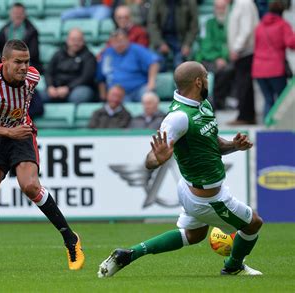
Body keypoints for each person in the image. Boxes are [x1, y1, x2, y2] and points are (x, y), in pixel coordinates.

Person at [98, 61, 264, 278]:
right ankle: (233, 266)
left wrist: (234, 145)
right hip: (207, 198)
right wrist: (156, 159)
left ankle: (128, 254)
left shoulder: (202, 105)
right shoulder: (178, 117)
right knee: (253, 224)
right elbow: (149, 160)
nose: (208, 80)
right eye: (206, 76)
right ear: (198, 81)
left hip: (189, 188)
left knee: (194, 235)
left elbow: (212, 143)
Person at [0, 39, 85, 272]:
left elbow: (22, 107)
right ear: (4, 61)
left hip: (20, 135)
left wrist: (13, 129)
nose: (23, 67)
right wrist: (7, 130)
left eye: (26, 62)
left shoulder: (33, 78)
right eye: (18, 62)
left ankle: (70, 238)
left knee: (29, 186)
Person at [252, 0, 295, 118]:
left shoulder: (259, 26)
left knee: (268, 99)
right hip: (275, 68)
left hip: (258, 69)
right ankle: (281, 128)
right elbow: (291, 44)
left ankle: (267, 128)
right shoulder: (283, 25)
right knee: (282, 101)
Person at [97, 29, 160, 102]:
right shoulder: (107, 54)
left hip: (139, 88)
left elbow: (154, 62)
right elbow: (100, 77)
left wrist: (151, 83)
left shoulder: (136, 49)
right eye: (115, 42)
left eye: (121, 41)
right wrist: (103, 97)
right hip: (118, 91)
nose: (118, 44)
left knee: (148, 97)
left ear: (127, 39)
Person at [195, 0, 235, 110]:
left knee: (232, 69)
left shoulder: (230, 23)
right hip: (208, 58)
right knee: (222, 70)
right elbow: (206, 46)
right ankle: (216, 101)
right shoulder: (209, 23)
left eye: (222, 7)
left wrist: (223, 57)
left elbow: (227, 45)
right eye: (218, 7)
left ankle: (220, 100)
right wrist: (217, 57)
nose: (220, 10)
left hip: (224, 59)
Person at [0, 3, 42, 73]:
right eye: (15, 13)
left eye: (20, 13)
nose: (17, 15)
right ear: (11, 14)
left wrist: (18, 59)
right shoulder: (5, 29)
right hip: (6, 62)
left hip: (24, 62)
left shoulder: (31, 30)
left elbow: (34, 53)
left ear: (25, 14)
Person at [227, 0, 259, 125]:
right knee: (244, 85)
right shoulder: (239, 4)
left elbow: (246, 29)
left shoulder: (244, 3)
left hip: (245, 52)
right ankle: (246, 115)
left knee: (244, 86)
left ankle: (246, 116)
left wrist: (236, 48)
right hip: (242, 51)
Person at [43, 28, 96, 104]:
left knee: (78, 96)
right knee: (36, 97)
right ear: (67, 40)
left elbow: (86, 77)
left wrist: (68, 88)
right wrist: (50, 87)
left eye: (79, 40)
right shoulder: (58, 54)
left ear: (83, 41)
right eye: (73, 39)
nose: (76, 42)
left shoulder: (89, 57)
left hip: (78, 88)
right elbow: (48, 72)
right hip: (56, 88)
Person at [147, 0, 199, 71]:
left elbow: (194, 26)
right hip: (162, 38)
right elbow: (152, 24)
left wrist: (187, 44)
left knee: (182, 69)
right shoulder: (156, 2)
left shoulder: (190, 2)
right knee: (156, 65)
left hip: (181, 40)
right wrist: (160, 43)